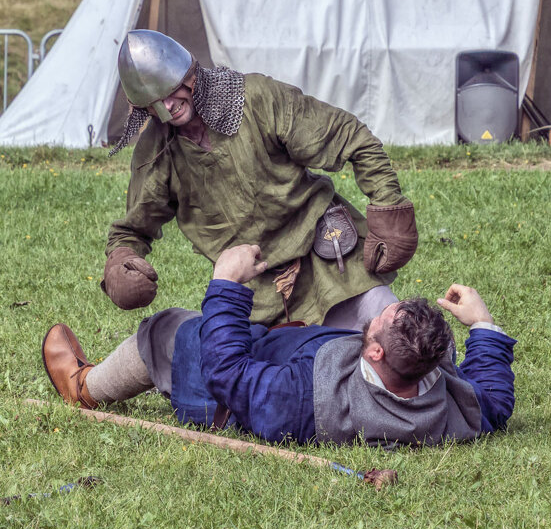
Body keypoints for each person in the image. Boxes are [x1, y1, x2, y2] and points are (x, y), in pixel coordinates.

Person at [101, 29, 419, 332]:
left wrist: (389, 206)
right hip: (260, 299)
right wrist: (122, 262)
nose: (168, 106)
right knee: (285, 379)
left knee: (396, 334)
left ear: (190, 76)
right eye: (155, 103)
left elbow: (350, 137)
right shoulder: (156, 153)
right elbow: (132, 228)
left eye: (170, 90)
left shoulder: (256, 98)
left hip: (332, 261)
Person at [42, 244, 516, 448]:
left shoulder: (307, 401)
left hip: (222, 393)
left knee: (171, 330)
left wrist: (226, 283)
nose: (382, 314)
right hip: (289, 350)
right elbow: (494, 401)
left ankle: (85, 386)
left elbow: (226, 372)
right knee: (364, 296)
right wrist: (483, 324)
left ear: (373, 353)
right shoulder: (447, 397)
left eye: (382, 323)